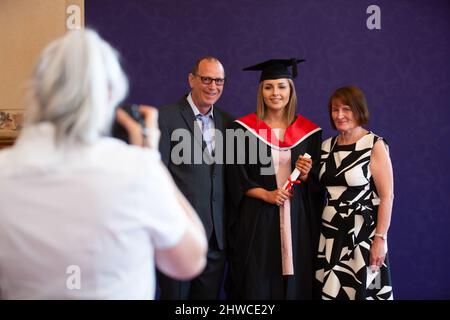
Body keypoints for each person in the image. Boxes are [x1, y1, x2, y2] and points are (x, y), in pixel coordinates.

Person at [0, 29, 207, 299]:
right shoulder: (137, 170)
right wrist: (151, 162)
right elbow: (189, 261)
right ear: (110, 95)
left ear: (38, 91)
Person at [226, 59, 323, 299]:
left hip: (296, 217)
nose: (275, 93)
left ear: (291, 90)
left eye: (281, 86)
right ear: (261, 92)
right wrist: (266, 194)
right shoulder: (241, 129)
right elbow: (234, 177)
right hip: (258, 216)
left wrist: (308, 172)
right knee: (258, 279)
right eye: (268, 87)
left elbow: (318, 185)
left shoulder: (310, 132)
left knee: (296, 281)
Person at [157, 56, 232, 299]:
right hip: (178, 236)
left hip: (215, 241)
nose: (213, 86)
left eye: (219, 81)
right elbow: (158, 177)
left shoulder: (228, 123)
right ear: (191, 79)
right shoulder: (166, 118)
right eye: (206, 79)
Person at [315, 85, 394, 300]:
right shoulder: (326, 146)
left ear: (359, 110)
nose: (339, 115)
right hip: (330, 234)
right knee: (333, 292)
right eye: (334, 110)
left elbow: (387, 196)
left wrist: (380, 238)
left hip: (363, 235)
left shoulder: (374, 144)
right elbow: (317, 185)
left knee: (366, 292)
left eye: (346, 109)